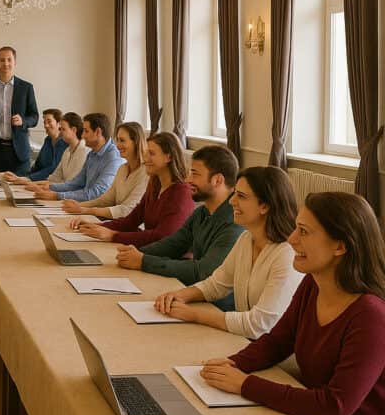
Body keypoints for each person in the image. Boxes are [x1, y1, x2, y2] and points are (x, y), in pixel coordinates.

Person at [201, 193, 385, 415]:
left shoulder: (371, 315)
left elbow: (335, 408)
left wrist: (246, 384)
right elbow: (278, 341)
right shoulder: (312, 284)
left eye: (304, 231)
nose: (291, 239)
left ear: (340, 246)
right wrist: (234, 363)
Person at [154, 166, 303, 338]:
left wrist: (194, 315)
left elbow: (259, 325)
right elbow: (217, 284)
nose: (231, 201)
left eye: (241, 196)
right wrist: (179, 295)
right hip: (246, 342)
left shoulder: (286, 255)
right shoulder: (246, 239)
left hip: (275, 358)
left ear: (264, 206)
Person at [100, 144, 244, 293]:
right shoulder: (202, 212)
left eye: (195, 174)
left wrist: (144, 261)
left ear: (218, 180)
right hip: (195, 292)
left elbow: (203, 271)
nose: (188, 179)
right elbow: (174, 244)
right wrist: (136, 253)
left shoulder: (235, 223)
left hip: (218, 306)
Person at [73, 132, 193, 247]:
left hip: (170, 260)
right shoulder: (155, 185)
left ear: (168, 157)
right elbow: (131, 221)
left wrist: (114, 235)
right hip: (152, 252)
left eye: (151, 153)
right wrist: (96, 226)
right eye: (146, 153)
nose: (145, 159)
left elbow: (162, 236)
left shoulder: (181, 193)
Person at [62, 121, 148, 220]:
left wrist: (85, 210)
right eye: (117, 140)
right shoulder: (122, 169)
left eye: (122, 140)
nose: (118, 145)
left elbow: (128, 210)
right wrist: (80, 205)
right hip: (118, 223)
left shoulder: (145, 172)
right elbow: (107, 199)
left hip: (133, 228)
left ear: (136, 142)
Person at [29, 113, 123, 201]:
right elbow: (76, 183)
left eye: (86, 131)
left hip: (95, 210)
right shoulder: (92, 154)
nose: (82, 135)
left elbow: (97, 193)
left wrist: (57, 195)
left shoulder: (113, 157)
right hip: (85, 205)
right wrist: (49, 187)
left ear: (98, 132)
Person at [14, 112, 87, 187]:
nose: (60, 132)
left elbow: (70, 184)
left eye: (63, 129)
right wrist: (26, 181)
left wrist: (30, 181)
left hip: (69, 194)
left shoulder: (83, 151)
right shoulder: (67, 151)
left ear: (74, 130)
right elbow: (54, 178)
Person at [26, 108, 67, 181]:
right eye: (44, 122)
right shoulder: (47, 140)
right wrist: (24, 177)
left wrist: (29, 178)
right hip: (42, 180)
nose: (46, 125)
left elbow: (54, 168)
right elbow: (38, 165)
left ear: (59, 124)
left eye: (49, 121)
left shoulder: (64, 142)